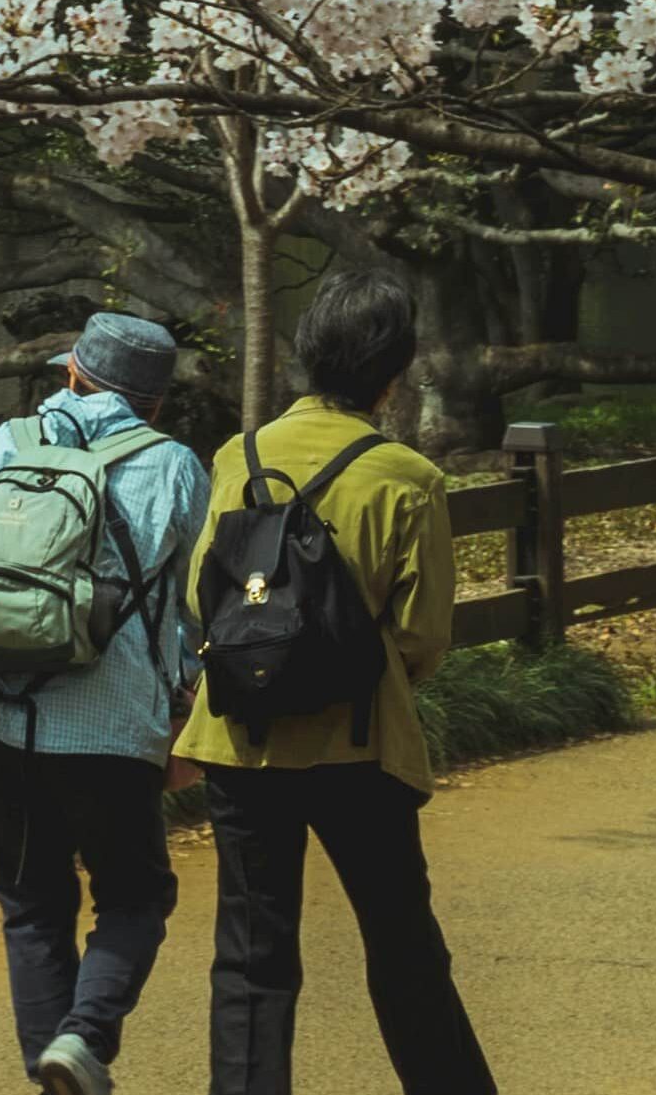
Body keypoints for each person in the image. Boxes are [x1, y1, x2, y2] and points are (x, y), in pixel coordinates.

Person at [176, 268, 505, 1095]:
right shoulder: (406, 477)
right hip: (358, 743)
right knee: (402, 943)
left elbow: (201, 598)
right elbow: (423, 636)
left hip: (241, 738)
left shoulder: (238, 456)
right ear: (393, 374)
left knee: (251, 954)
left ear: (308, 353)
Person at [0, 308, 212, 1092]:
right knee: (134, 898)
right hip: (116, 727)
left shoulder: (8, 444)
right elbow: (201, 598)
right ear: (155, 402)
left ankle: (56, 1069)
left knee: (33, 907)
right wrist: (188, 699)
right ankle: (84, 1037)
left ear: (72, 374)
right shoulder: (175, 466)